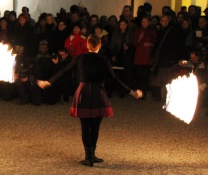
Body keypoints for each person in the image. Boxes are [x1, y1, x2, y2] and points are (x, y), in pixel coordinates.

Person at [37, 35, 142, 167]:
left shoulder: (80, 58)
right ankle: (92, 155)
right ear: (99, 46)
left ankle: (89, 156)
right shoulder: (104, 60)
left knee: (85, 126)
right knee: (96, 126)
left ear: (87, 45)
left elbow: (65, 71)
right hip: (98, 93)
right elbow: (114, 79)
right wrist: (132, 92)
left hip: (84, 92)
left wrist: (49, 82)